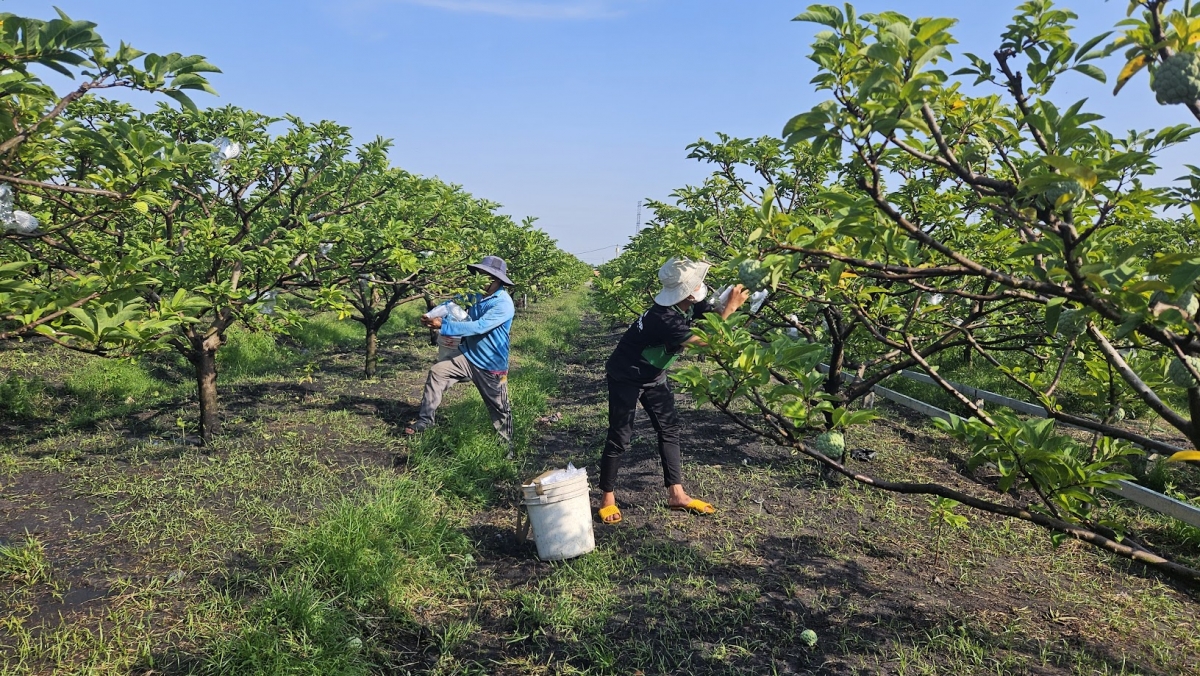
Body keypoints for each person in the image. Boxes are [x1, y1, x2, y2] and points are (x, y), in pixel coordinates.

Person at [597, 257, 750, 524]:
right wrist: (731, 310)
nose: (702, 285)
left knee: (669, 428)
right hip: (626, 375)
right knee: (620, 436)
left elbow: (710, 318)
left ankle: (676, 494)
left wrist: (726, 304)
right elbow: (706, 343)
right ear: (687, 292)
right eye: (698, 283)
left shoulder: (691, 304)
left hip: (653, 374)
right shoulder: (664, 318)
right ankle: (607, 497)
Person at [407, 256, 516, 455]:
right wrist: (431, 315)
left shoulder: (503, 303)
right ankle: (425, 421)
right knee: (437, 372)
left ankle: (506, 450)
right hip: (467, 355)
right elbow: (452, 303)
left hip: (491, 364)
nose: (482, 278)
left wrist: (444, 326)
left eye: (487, 276)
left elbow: (479, 326)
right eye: (480, 274)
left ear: (498, 280)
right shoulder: (475, 294)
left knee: (500, 408)